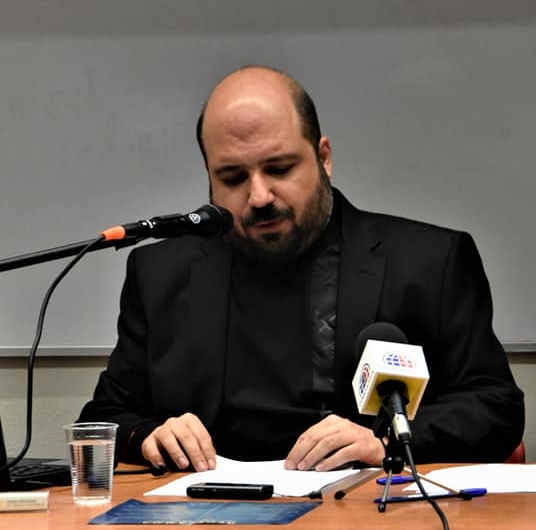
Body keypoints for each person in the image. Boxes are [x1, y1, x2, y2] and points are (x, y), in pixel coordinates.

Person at [78, 65, 524, 473]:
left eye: (279, 168)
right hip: (212, 505)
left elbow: (495, 408)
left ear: (323, 158)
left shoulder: (427, 262)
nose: (259, 196)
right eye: (232, 178)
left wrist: (383, 441)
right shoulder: (161, 273)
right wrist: (151, 436)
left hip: (359, 506)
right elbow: (105, 417)